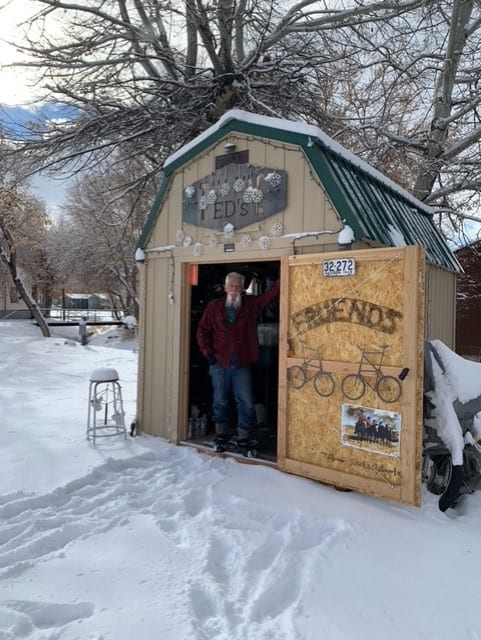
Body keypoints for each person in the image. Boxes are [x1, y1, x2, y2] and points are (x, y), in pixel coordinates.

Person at [196, 271, 280, 450]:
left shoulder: (251, 305)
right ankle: (221, 436)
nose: (234, 289)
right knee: (220, 401)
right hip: (219, 363)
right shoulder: (213, 307)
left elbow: (270, 296)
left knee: (246, 402)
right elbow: (202, 332)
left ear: (242, 289)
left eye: (237, 286)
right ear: (225, 288)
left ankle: (243, 437)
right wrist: (209, 355)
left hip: (242, 363)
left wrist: (284, 276)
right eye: (231, 286)